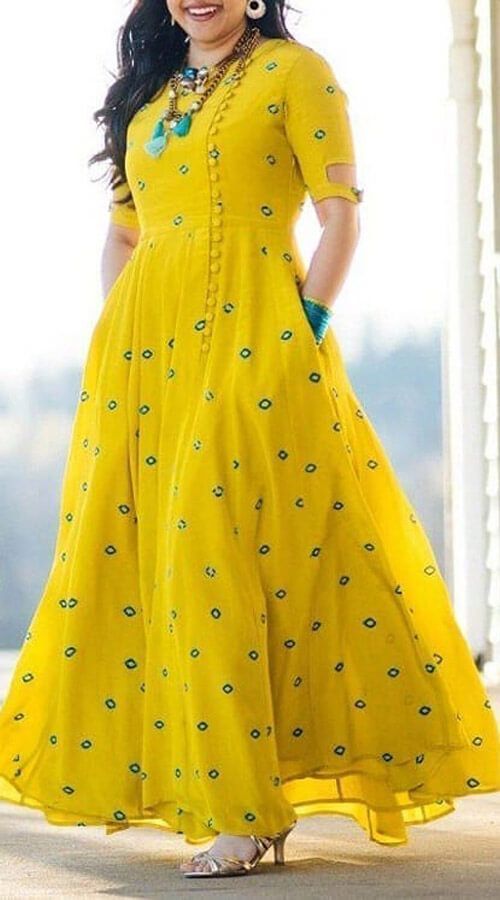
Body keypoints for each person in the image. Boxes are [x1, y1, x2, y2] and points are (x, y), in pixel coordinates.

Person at [0, 0, 499, 881]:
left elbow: (340, 214)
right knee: (150, 560)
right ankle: (225, 790)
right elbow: (124, 231)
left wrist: (305, 325)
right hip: (145, 360)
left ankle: (244, 809)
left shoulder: (296, 74)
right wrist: (122, 335)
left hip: (259, 338)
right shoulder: (149, 92)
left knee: (217, 544)